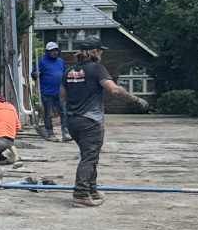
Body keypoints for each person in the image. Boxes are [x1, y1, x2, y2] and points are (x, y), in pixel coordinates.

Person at [62, 45, 148, 206]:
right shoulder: (97, 69)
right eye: (100, 51)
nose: (101, 54)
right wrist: (135, 99)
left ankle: (91, 190)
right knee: (89, 158)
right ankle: (81, 195)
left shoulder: (68, 71)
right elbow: (113, 90)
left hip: (73, 121)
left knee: (89, 155)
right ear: (94, 52)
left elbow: (62, 95)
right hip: (90, 121)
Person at [36, 40, 69, 140]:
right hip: (47, 92)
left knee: (64, 112)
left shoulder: (61, 62)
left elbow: (65, 73)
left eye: (56, 50)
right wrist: (35, 74)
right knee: (48, 113)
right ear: (47, 52)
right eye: (51, 51)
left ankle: (65, 133)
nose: (54, 52)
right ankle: (50, 134)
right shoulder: (41, 61)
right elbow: (34, 74)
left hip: (60, 92)